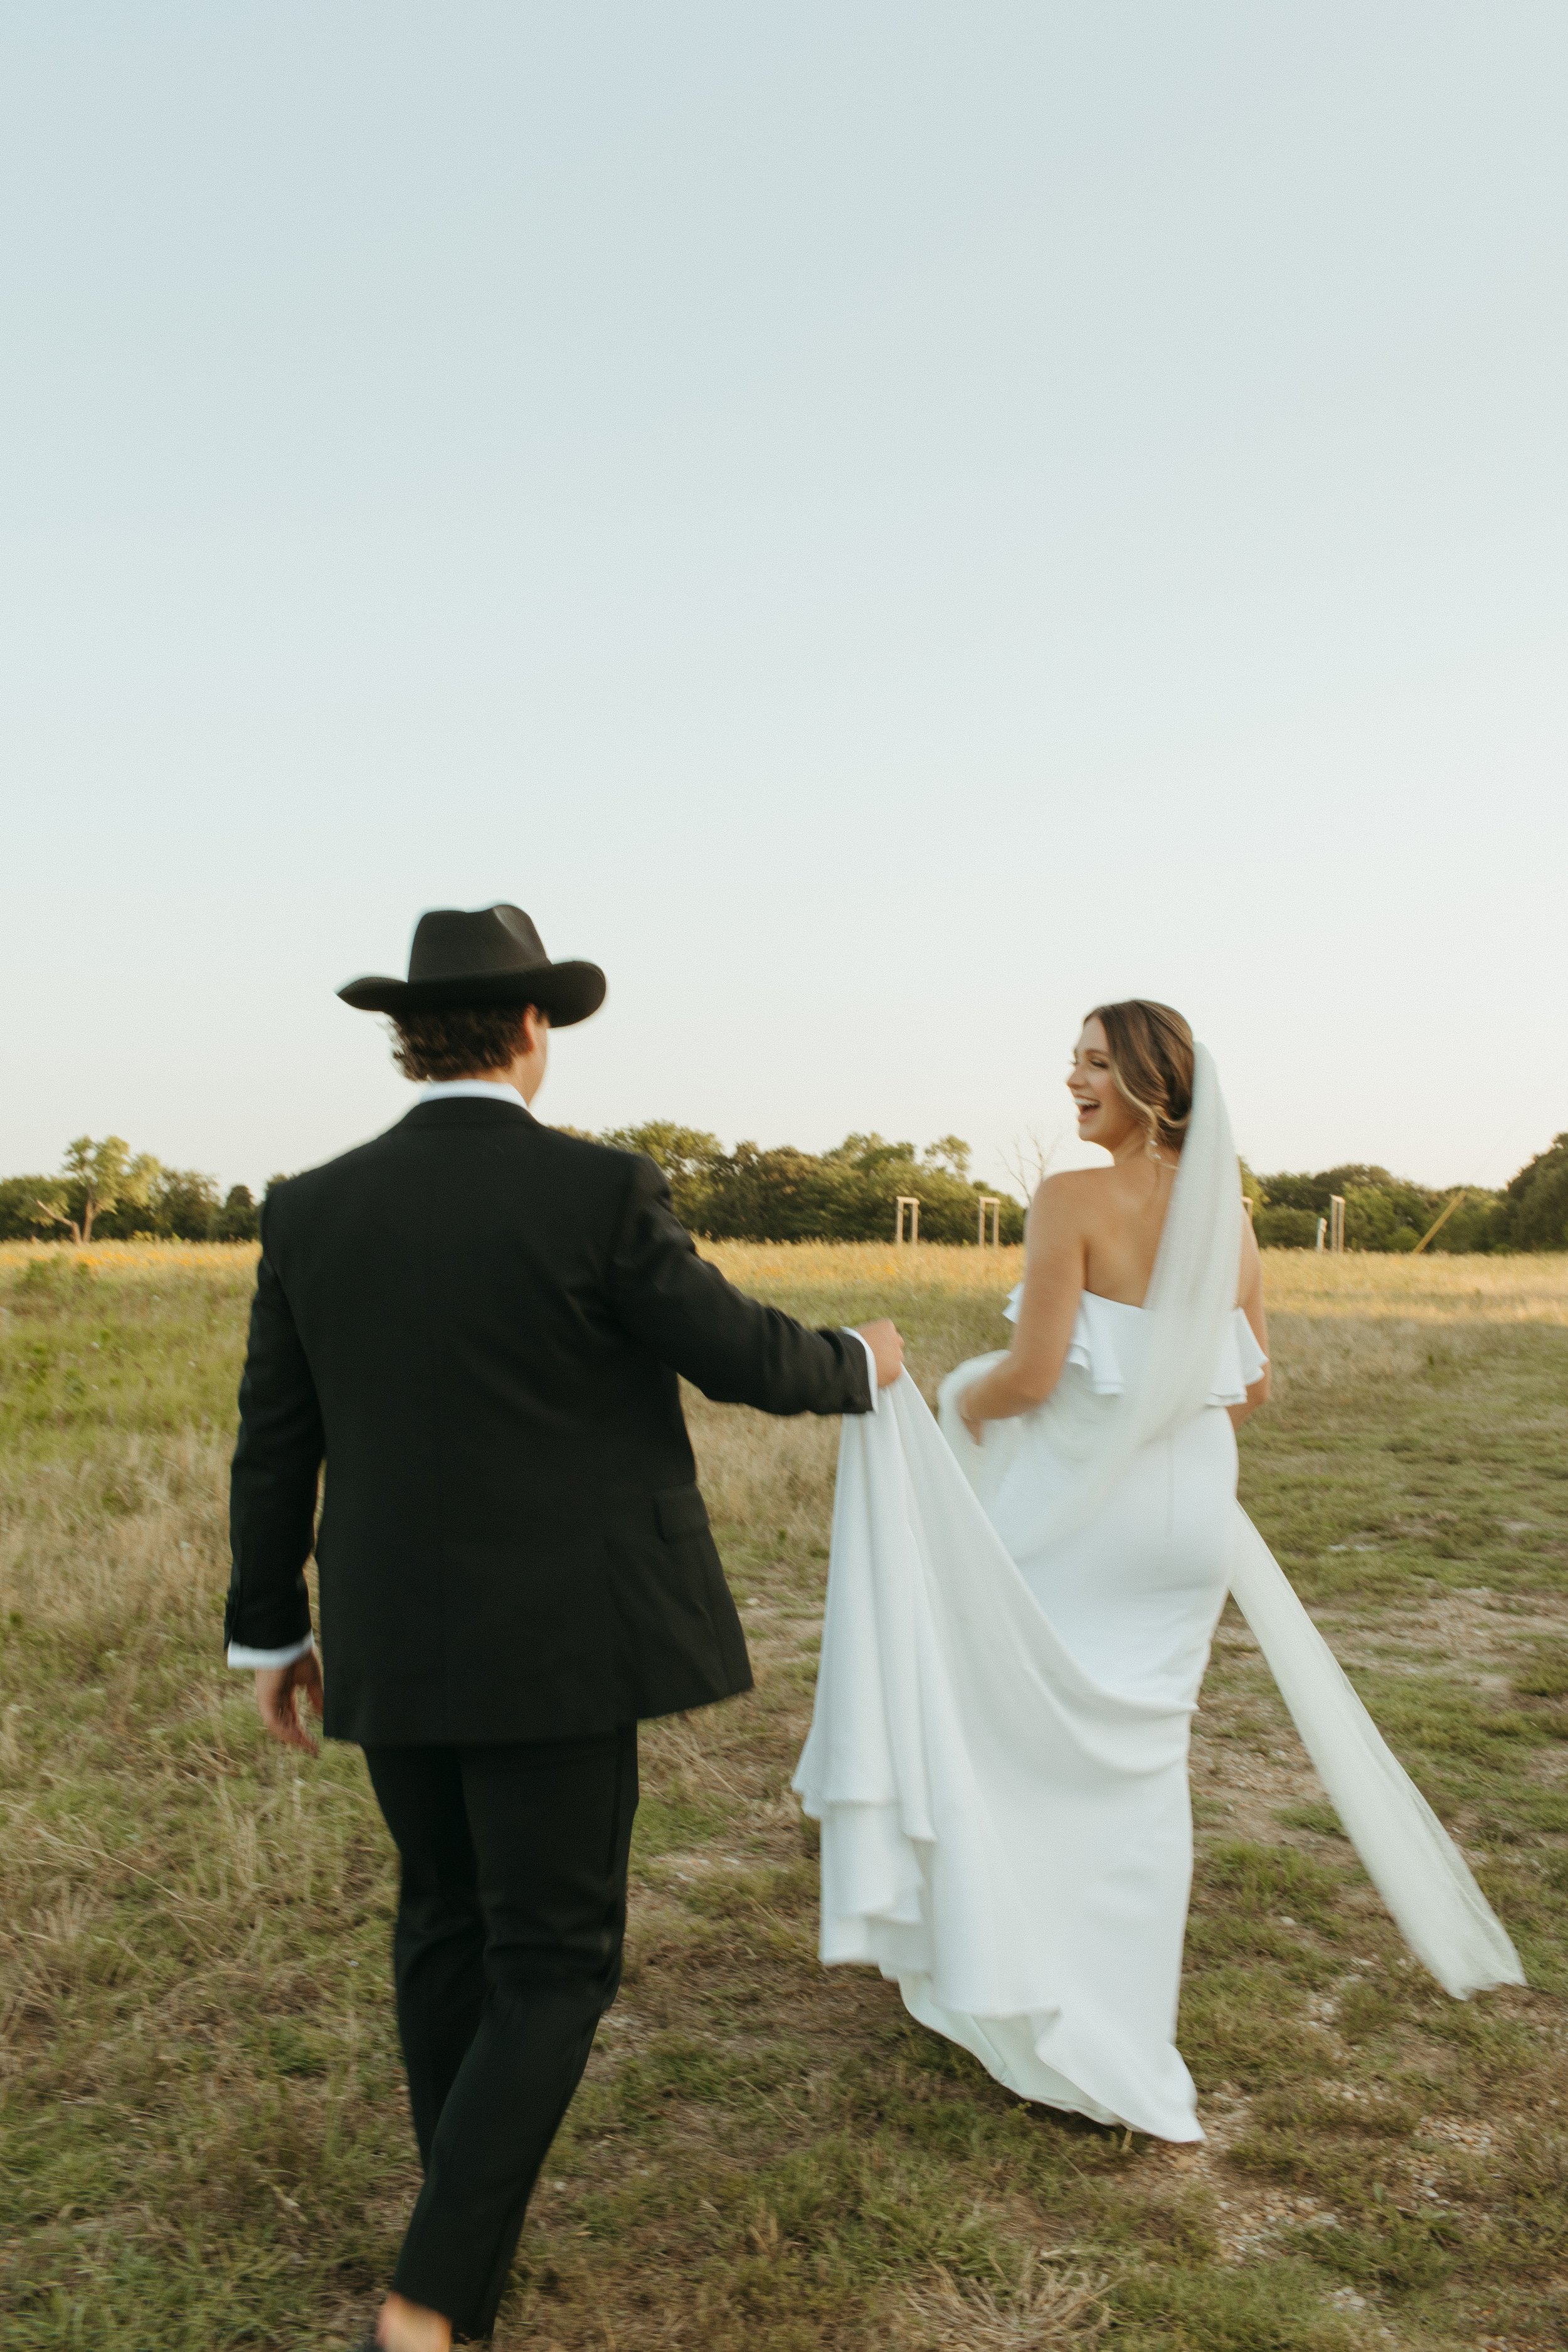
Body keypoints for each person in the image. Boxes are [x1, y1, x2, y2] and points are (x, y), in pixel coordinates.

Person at [224, 903, 903, 2352]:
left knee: (442, 1922)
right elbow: (736, 1352)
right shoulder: (597, 1191)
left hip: (391, 1632)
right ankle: (428, 2296)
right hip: (565, 1638)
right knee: (553, 1958)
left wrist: (270, 1631)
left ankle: (455, 2237)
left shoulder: (309, 1204)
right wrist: (861, 1358)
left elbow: (272, 1441)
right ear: (533, 1030)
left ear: (411, 1037)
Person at [796, 999, 1522, 2142]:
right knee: (1144, 1768)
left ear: (1144, 1081)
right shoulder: (1227, 1218)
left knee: (1028, 1734)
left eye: (1091, 1063)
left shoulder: (1070, 1201)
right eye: (1073, 1060)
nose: (1071, 1079)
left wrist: (954, 1395)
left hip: (1091, 1516)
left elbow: (1032, 1380)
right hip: (1191, 1523)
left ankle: (1031, 1990)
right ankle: (1127, 2029)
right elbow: (1258, 1383)